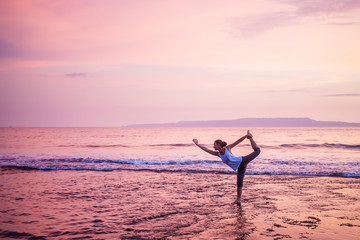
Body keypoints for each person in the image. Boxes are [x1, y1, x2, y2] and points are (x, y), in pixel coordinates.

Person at [192, 130, 261, 204]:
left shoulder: (228, 148)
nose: (213, 146)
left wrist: (246, 136)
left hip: (242, 160)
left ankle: (250, 137)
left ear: (218, 145)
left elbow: (238, 141)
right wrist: (197, 144)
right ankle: (238, 200)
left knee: (257, 151)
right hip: (240, 167)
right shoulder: (218, 154)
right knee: (239, 183)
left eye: (214, 144)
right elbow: (207, 150)